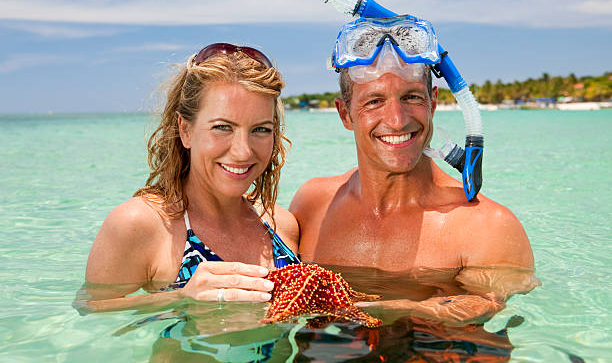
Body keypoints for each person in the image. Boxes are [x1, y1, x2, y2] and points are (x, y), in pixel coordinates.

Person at [290, 17, 538, 325]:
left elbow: (494, 336)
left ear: (433, 103)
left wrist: (387, 311)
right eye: (374, 101)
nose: (396, 119)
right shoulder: (313, 205)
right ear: (345, 114)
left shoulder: (488, 228)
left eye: (411, 97)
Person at [81, 43, 300, 312]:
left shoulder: (282, 225)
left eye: (261, 129)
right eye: (222, 127)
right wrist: (181, 298)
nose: (243, 151)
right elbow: (90, 309)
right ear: (185, 130)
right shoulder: (142, 224)